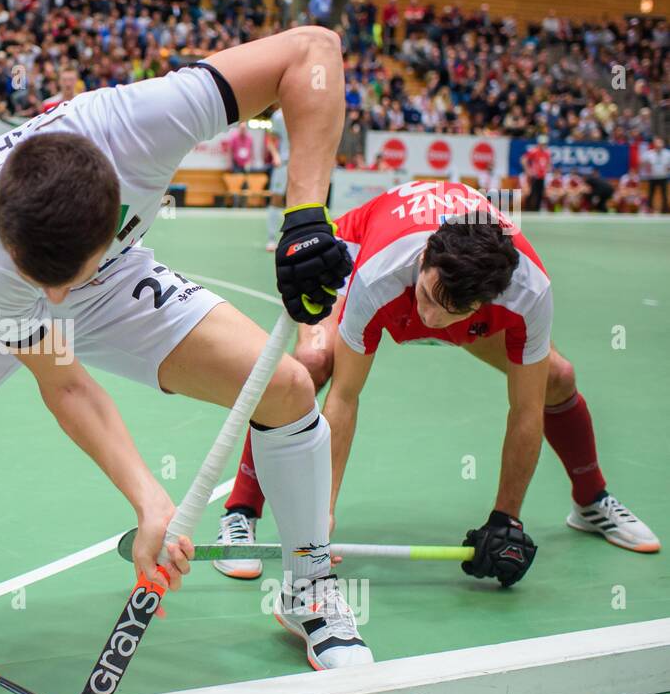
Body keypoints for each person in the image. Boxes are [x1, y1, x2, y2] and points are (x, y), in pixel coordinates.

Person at [0, 27, 370, 672]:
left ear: (111, 209)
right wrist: (149, 499)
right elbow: (65, 383)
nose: (57, 301)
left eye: (60, 281)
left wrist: (306, 218)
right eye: (47, 282)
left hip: (113, 276)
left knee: (284, 388)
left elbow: (314, 50)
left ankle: (308, 587)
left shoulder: (146, 122)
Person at [214, 179, 657, 585]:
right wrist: (319, 517)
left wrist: (508, 520)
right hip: (363, 254)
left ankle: (591, 500)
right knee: (310, 363)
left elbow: (525, 409)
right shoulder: (379, 272)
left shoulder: (529, 290)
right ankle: (241, 511)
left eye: (448, 315)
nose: (430, 321)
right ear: (425, 259)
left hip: (454, 292)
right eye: (428, 300)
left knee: (557, 378)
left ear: (488, 300)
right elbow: (345, 400)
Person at [264, 107, 290, 251]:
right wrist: (276, 156)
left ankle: (293, 240)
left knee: (299, 202)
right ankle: (272, 238)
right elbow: (271, 141)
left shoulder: (307, 109)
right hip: (283, 164)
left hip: (302, 164)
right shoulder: (279, 116)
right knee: (276, 198)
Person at [639, 136, 669, 214]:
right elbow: (642, 163)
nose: (659, 145)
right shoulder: (649, 153)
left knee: (664, 194)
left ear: (662, 144)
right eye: (657, 143)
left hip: (663, 176)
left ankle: (664, 210)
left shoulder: (667, 153)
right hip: (652, 177)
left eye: (660, 143)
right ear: (654, 144)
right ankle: (649, 209)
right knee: (651, 194)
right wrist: (645, 171)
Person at [522, 135, 551, 213]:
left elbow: (548, 163)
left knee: (540, 193)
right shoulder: (534, 151)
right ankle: (527, 209)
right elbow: (524, 159)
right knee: (532, 192)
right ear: (539, 143)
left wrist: (547, 169)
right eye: (542, 143)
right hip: (535, 175)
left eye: (544, 143)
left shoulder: (547, 152)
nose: (543, 145)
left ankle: (537, 210)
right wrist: (528, 170)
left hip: (542, 175)